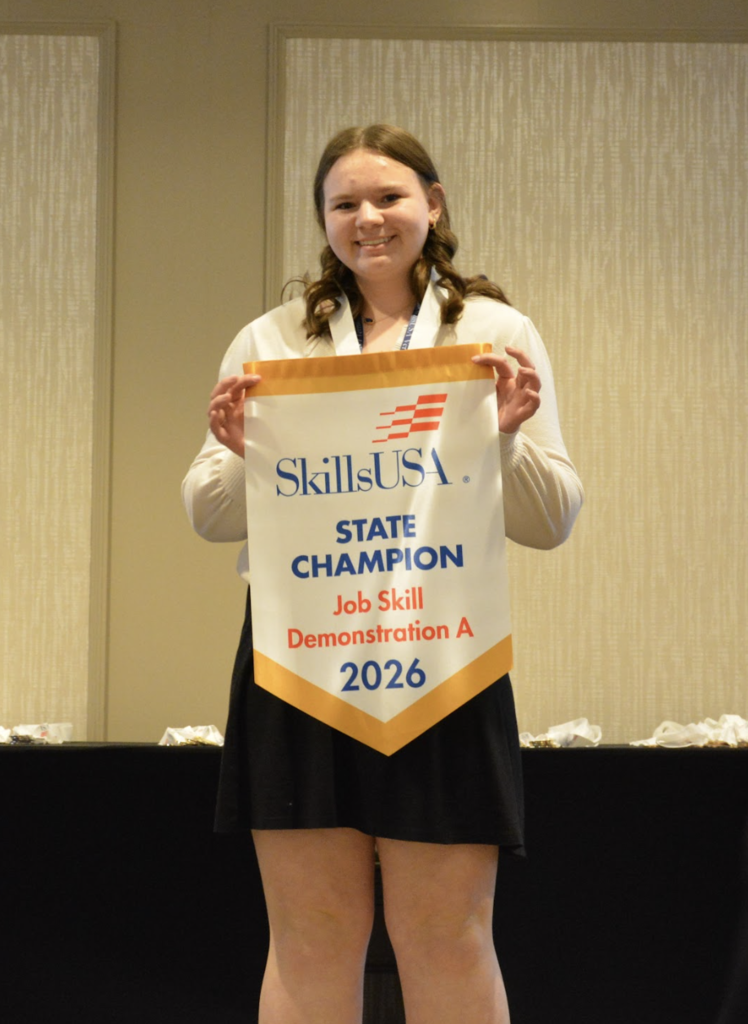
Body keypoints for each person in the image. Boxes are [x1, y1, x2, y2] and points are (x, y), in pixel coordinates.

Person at [182, 124, 584, 1024]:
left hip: (443, 658)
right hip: (299, 660)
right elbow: (208, 515)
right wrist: (246, 454)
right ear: (323, 220)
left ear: (431, 205)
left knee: (446, 935)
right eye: (344, 204)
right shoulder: (273, 337)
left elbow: (551, 518)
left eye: (389, 197)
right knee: (312, 935)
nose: (368, 218)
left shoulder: (493, 331)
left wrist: (506, 435)